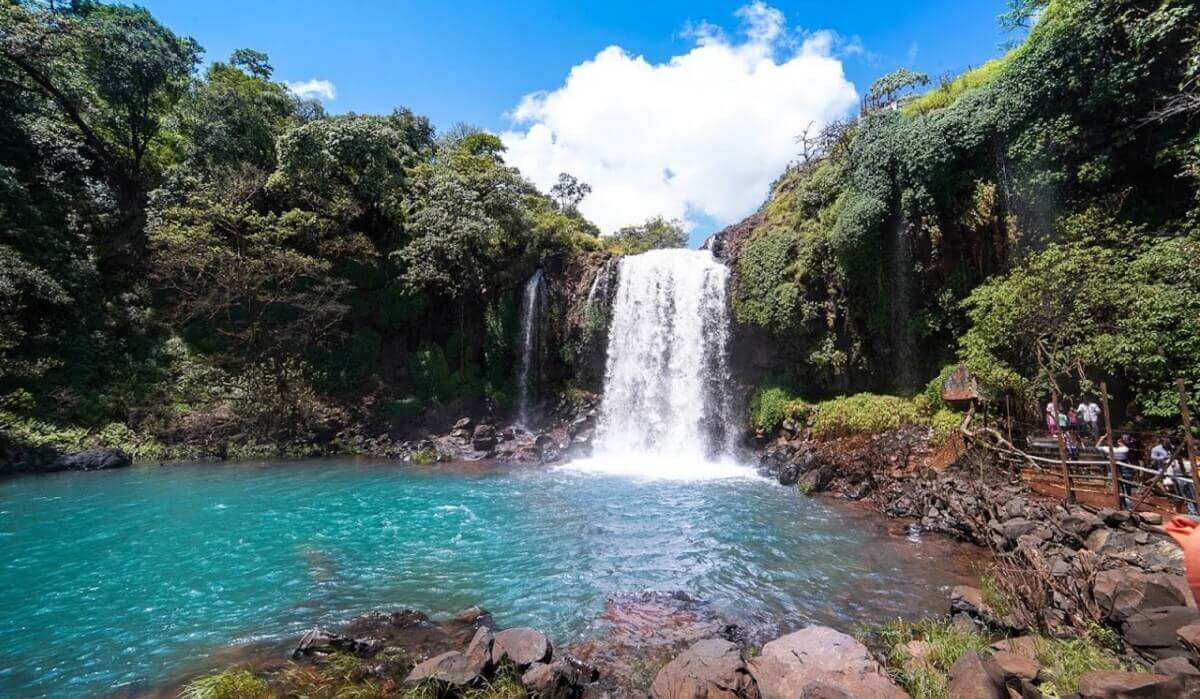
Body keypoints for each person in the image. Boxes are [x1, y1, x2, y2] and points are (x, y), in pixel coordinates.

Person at [1097, 433, 1133, 508]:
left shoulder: (1107, 449)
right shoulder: (1124, 449)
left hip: (1113, 472)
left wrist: (1102, 438)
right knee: (1126, 490)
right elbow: (1125, 447)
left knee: (1118, 489)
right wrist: (1120, 442)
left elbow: (1097, 447)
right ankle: (1127, 506)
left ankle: (1123, 506)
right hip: (1125, 471)